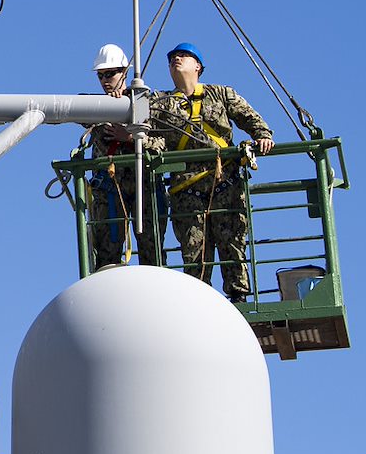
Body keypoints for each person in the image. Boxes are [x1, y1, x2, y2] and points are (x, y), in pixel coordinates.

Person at [150, 42, 273, 300]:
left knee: (232, 247)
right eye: (172, 57)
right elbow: (144, 132)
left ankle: (238, 299)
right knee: (194, 256)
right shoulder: (159, 104)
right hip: (187, 191)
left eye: (183, 56)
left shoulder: (220, 94)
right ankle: (197, 305)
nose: (176, 59)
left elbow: (252, 119)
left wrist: (262, 136)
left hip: (224, 183)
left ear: (198, 66)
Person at [82, 44, 162, 269]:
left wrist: (129, 136)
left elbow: (160, 143)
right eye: (101, 76)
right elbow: (72, 106)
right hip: (109, 189)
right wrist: (110, 104)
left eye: (110, 74)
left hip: (142, 187)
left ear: (125, 73)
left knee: (151, 251)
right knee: (107, 254)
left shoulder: (147, 104)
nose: (105, 80)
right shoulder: (96, 107)